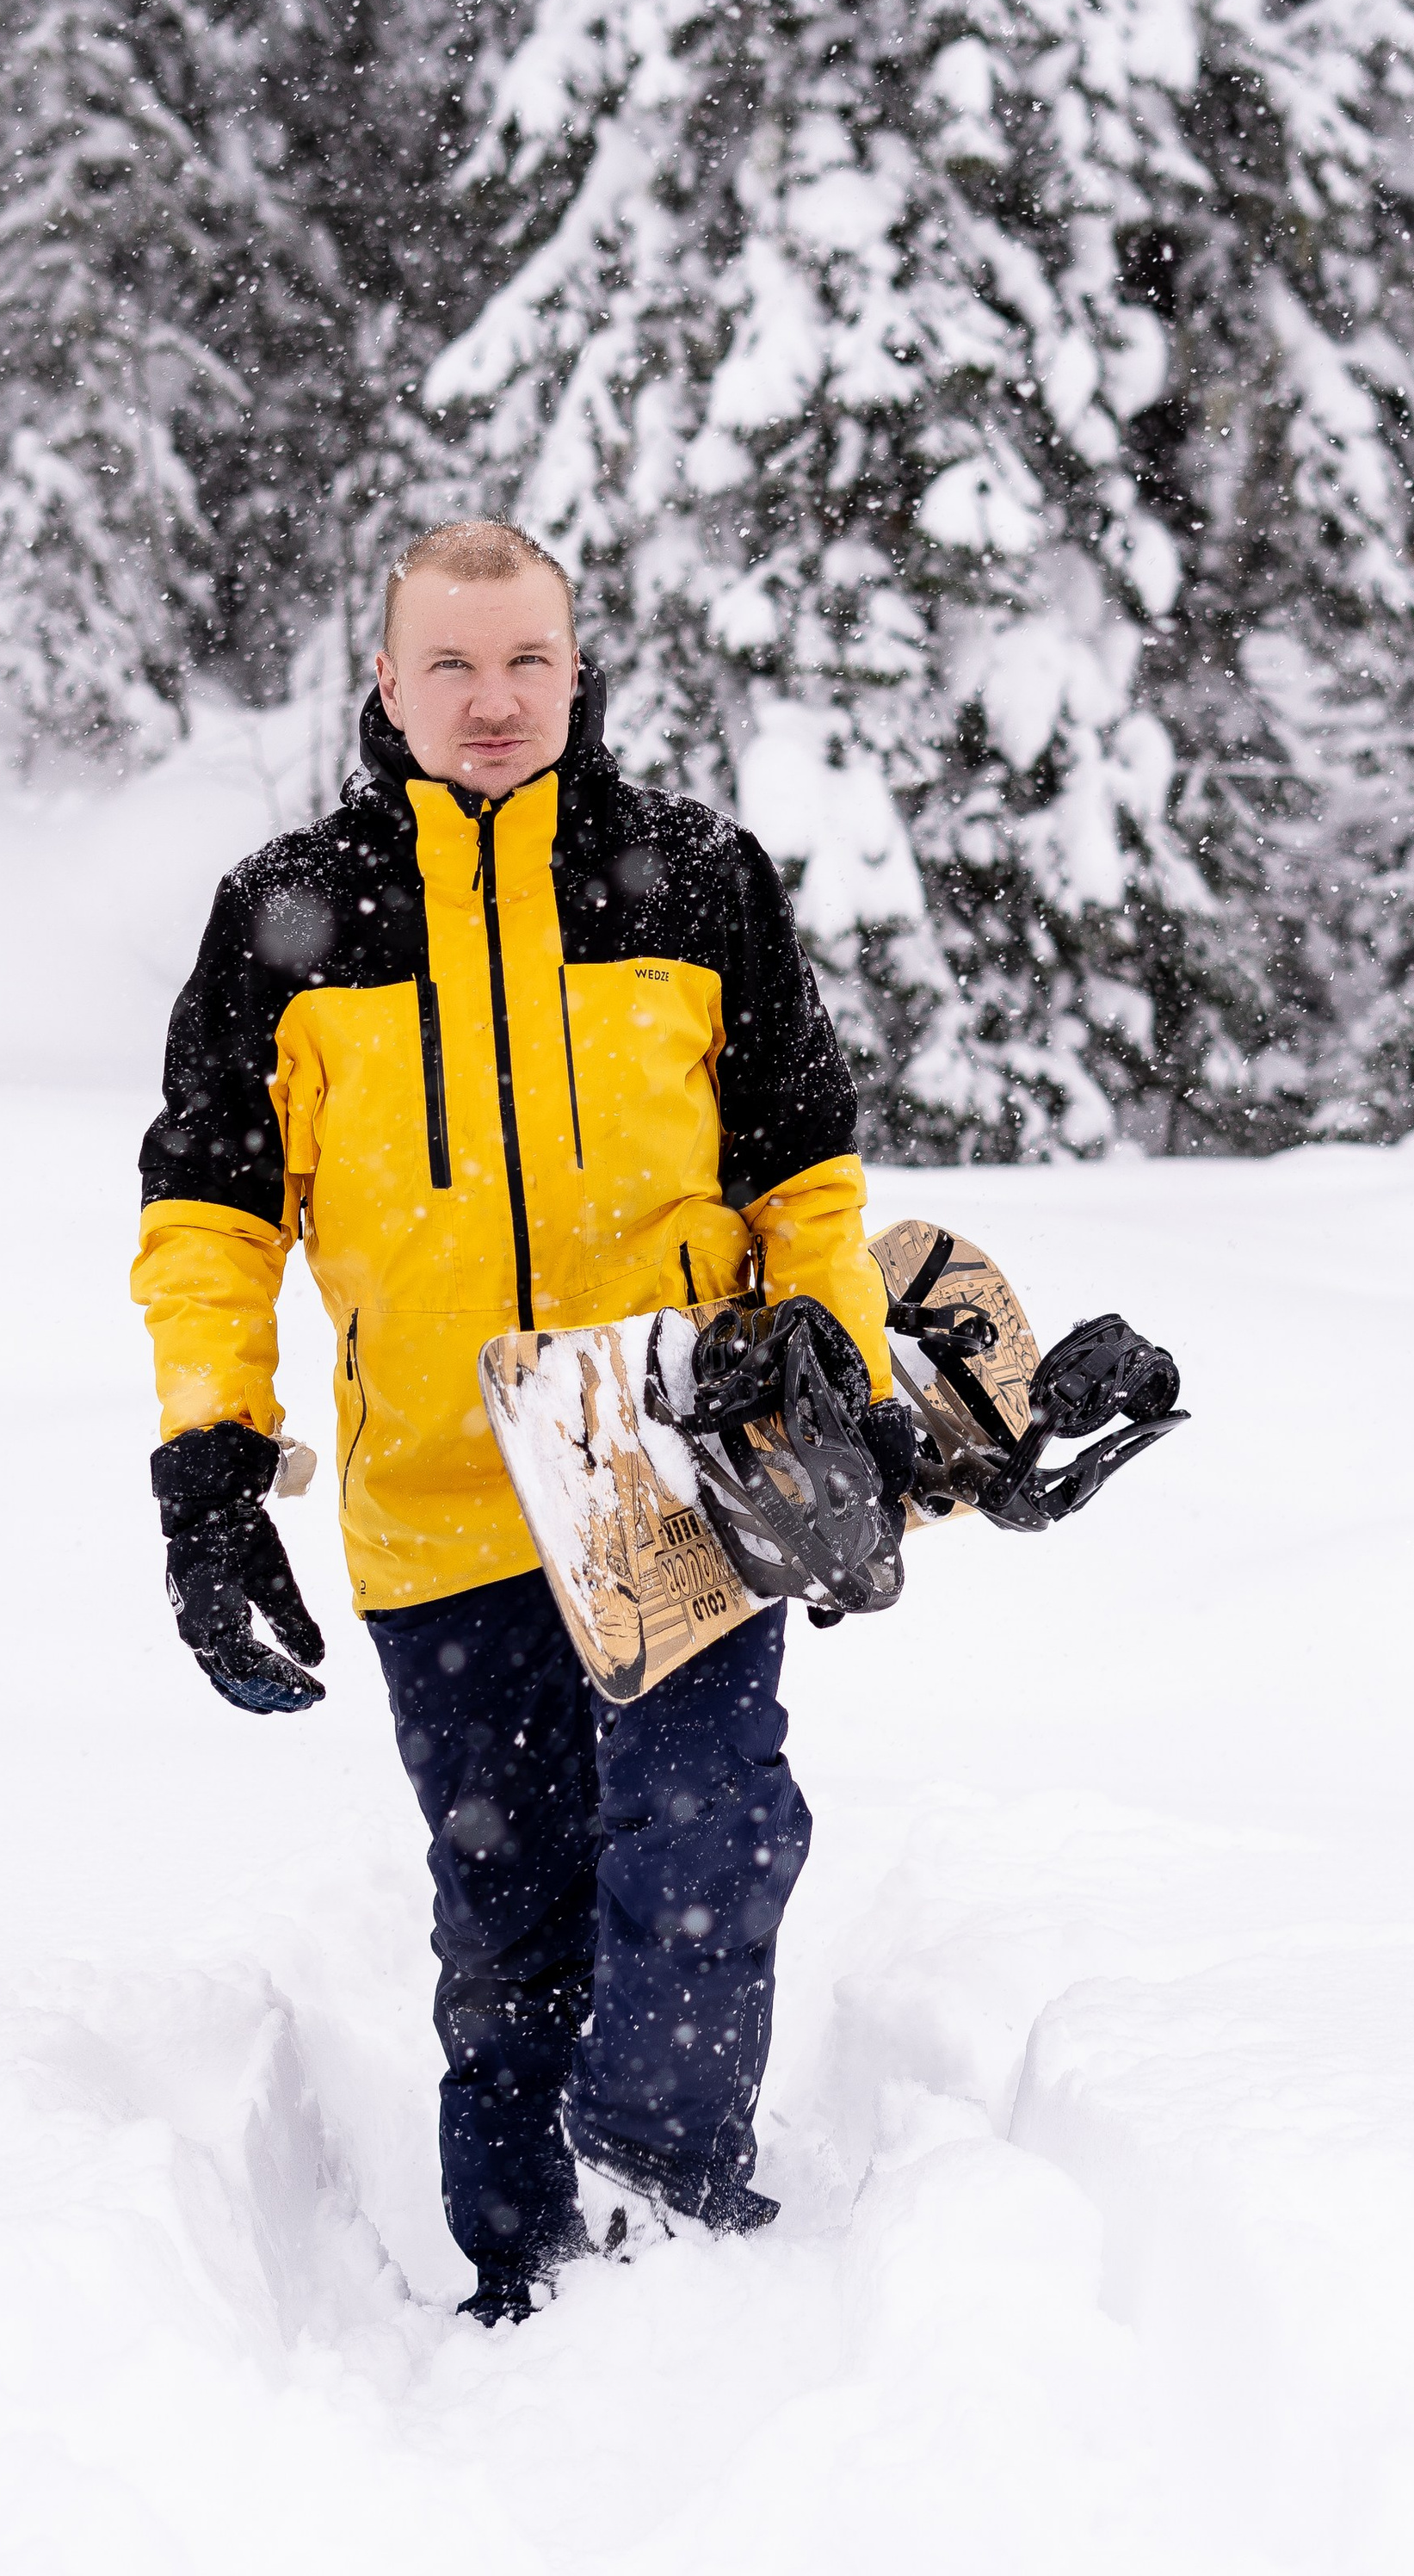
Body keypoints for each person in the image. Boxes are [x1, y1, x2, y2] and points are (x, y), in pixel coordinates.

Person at [131, 521, 917, 2323]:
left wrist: (847, 1393)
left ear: (579, 670)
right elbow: (209, 1224)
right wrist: (208, 1472)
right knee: (509, 1908)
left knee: (709, 1833)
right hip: (433, 1491)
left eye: (526, 664)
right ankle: (526, 2283)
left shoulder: (692, 880)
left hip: (668, 1468)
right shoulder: (287, 916)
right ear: (385, 679)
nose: (492, 705)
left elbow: (802, 1174)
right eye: (452, 667)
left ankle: (668, 2183)